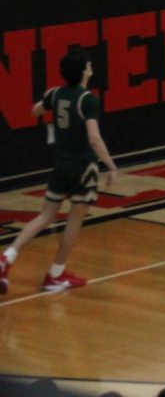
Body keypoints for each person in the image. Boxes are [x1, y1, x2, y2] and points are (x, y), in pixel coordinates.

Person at [0, 51, 118, 296]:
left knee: (45, 216)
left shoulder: (56, 93)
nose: (91, 65)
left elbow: (35, 112)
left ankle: (7, 257)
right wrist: (111, 166)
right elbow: (94, 139)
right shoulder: (88, 99)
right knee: (74, 220)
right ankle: (56, 273)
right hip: (83, 165)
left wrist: (49, 102)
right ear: (84, 71)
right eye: (88, 64)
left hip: (62, 164)